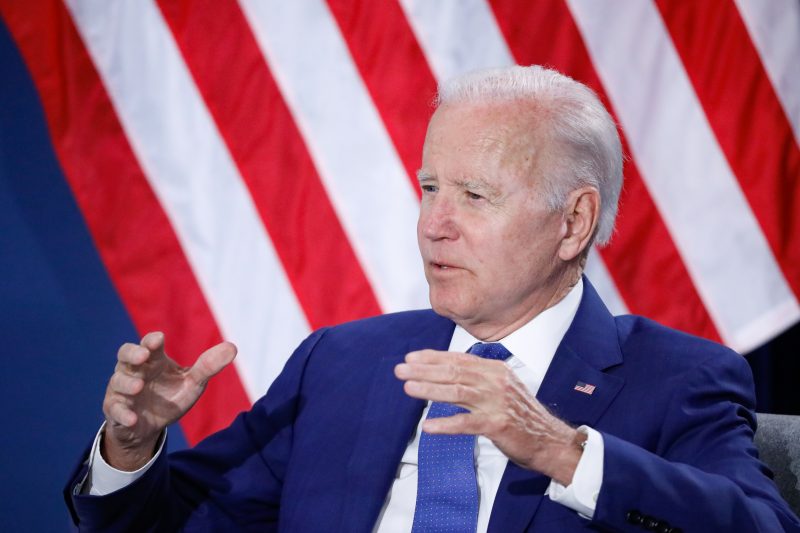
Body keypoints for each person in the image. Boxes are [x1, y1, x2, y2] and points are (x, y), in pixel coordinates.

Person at [65, 65, 800, 532]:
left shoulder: (676, 379)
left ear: (573, 222)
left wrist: (559, 449)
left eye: (475, 195)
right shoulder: (341, 361)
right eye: (429, 188)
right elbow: (181, 520)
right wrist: (132, 448)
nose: (433, 224)